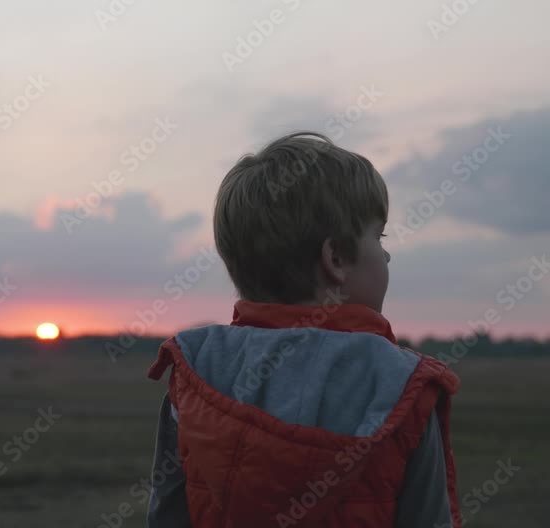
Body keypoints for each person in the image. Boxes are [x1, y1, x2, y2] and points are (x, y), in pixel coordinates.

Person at [146, 132, 461, 528]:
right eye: (378, 236)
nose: (386, 254)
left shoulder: (197, 371)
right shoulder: (402, 386)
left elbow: (167, 515)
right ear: (336, 258)